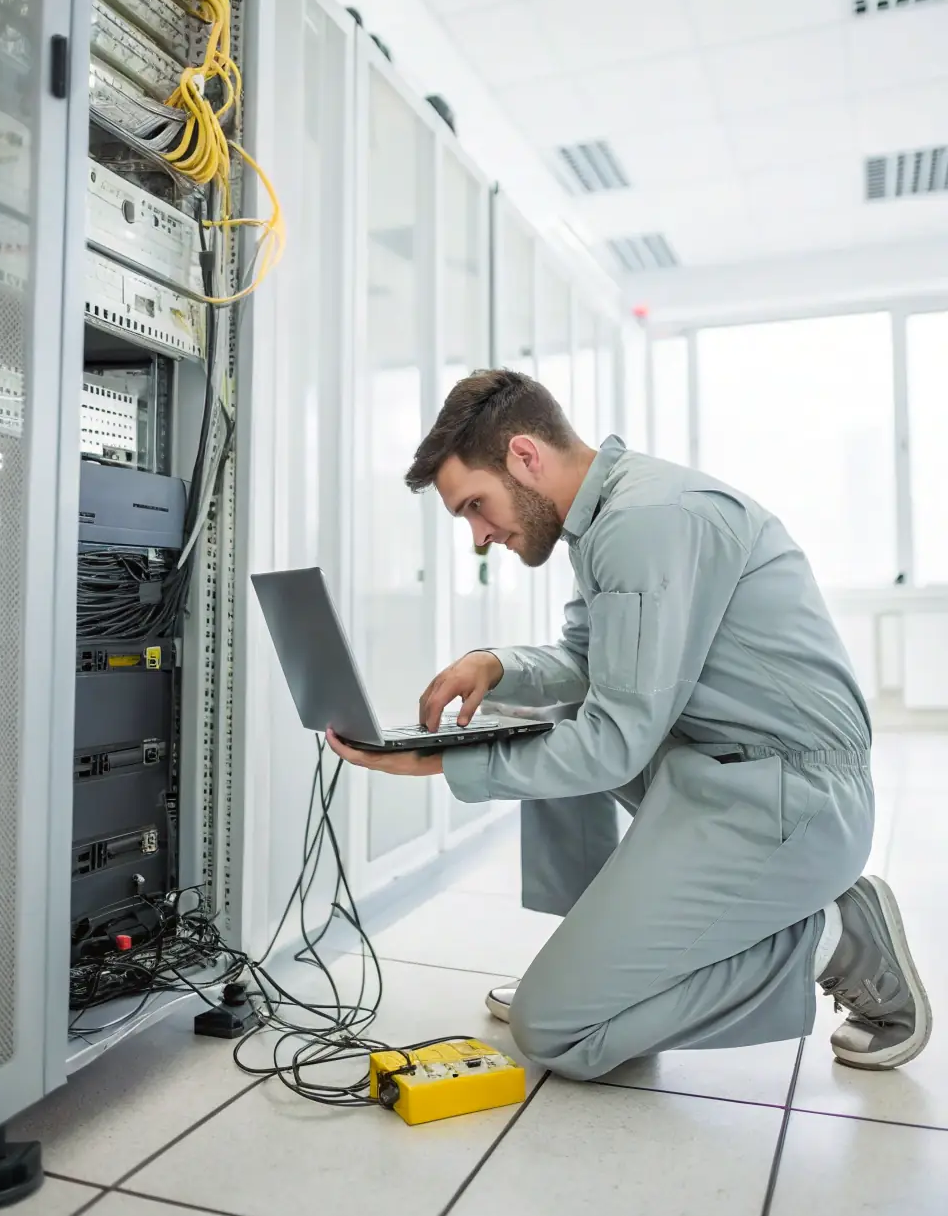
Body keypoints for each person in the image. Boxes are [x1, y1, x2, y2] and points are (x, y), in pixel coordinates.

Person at [326, 369, 931, 1081]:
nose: (481, 536)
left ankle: (834, 940)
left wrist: (441, 763)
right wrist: (497, 664)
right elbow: (593, 664)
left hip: (794, 798)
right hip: (726, 770)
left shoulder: (645, 523)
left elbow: (614, 743)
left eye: (475, 507)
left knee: (555, 1030)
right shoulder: (609, 515)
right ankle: (601, 959)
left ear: (525, 456)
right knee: (541, 718)